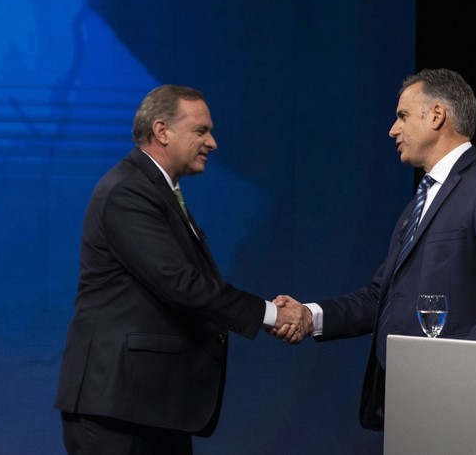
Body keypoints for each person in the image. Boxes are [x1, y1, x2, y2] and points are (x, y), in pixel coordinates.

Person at [273, 68, 476, 431]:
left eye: (402, 115)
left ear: (436, 116)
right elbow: (379, 298)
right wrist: (311, 316)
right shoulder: (418, 203)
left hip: (461, 401)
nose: (392, 129)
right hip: (409, 399)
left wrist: (463, 363)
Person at [55, 85, 308, 454]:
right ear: (161, 131)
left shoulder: (156, 189)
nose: (213, 143)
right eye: (201, 131)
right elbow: (181, 284)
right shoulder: (128, 191)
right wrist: (271, 313)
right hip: (119, 410)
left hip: (150, 408)